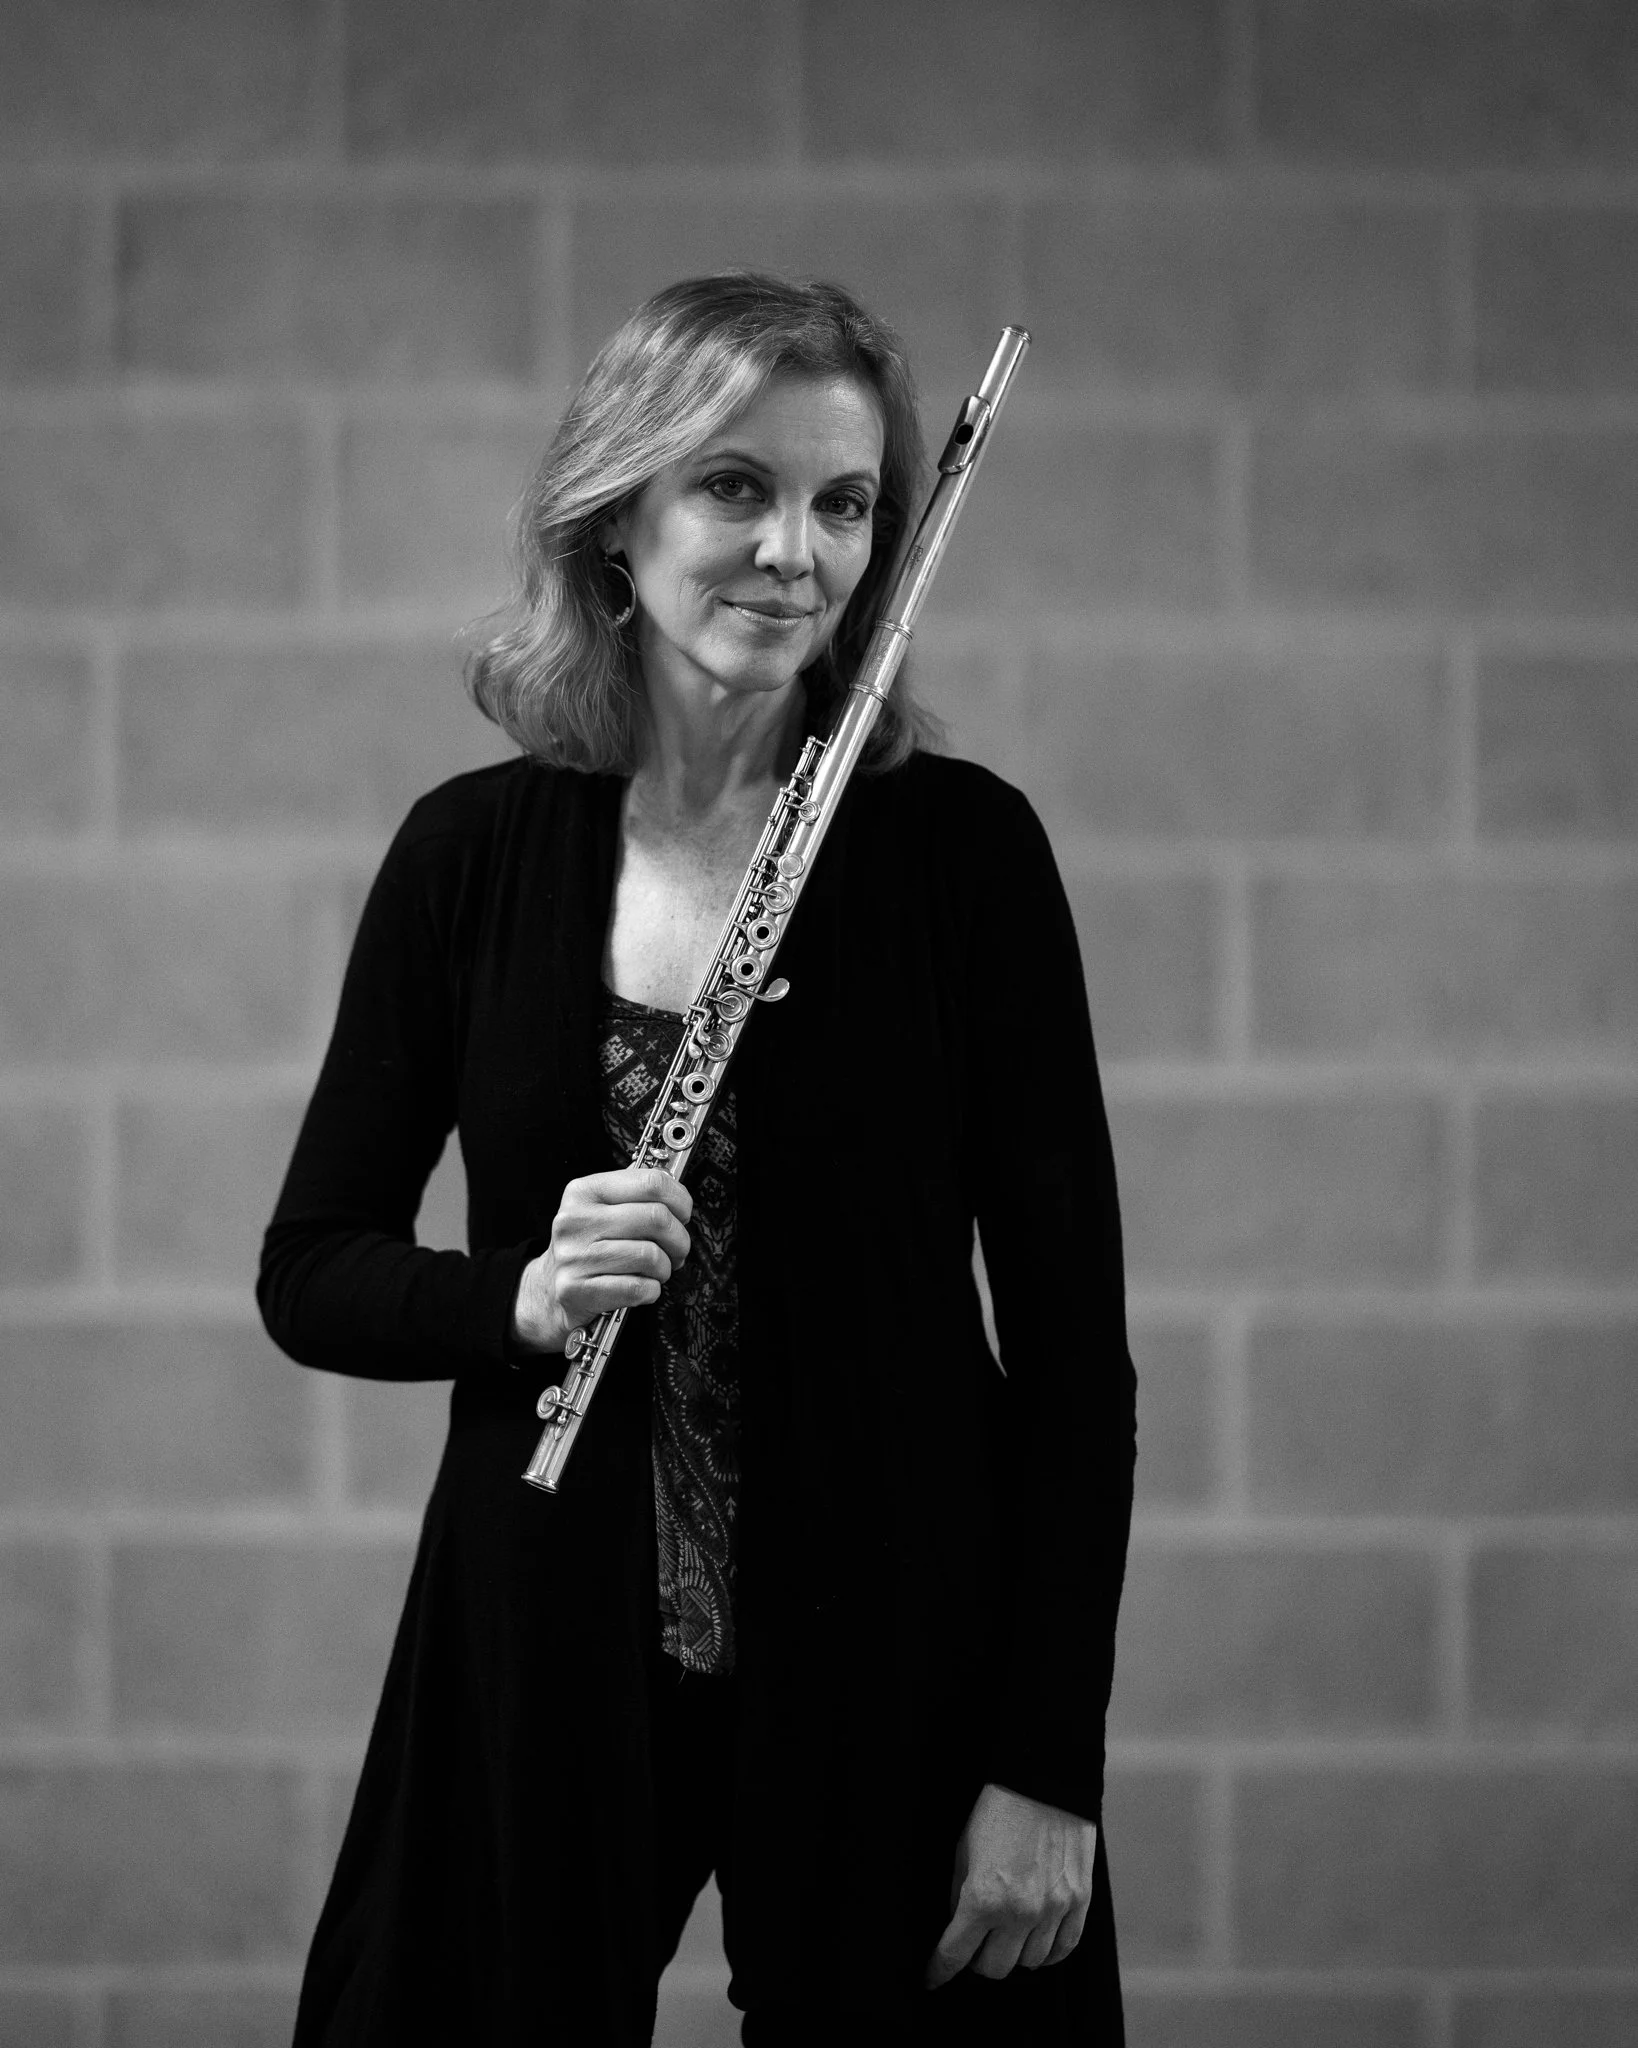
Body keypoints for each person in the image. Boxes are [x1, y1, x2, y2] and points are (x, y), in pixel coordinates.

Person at [258, 271, 1136, 2047]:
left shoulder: (962, 859)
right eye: (735, 487)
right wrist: (515, 1295)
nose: (791, 553)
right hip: (541, 1653)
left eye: (842, 501)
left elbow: (1071, 1362)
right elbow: (313, 1268)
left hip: (900, 1659)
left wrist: (1046, 1760)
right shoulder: (469, 859)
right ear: (619, 519)